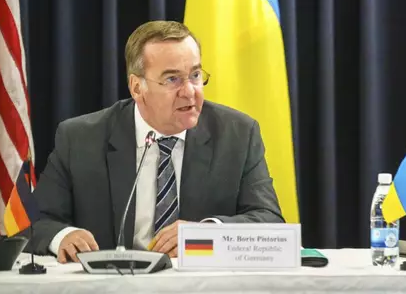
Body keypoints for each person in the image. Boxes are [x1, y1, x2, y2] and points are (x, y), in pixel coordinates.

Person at [29, 21, 284, 263]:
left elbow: (270, 222)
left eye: (195, 75)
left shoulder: (237, 134)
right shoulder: (80, 138)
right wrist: (62, 237)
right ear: (136, 87)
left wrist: (208, 234)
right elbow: (35, 221)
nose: (189, 91)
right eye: (172, 79)